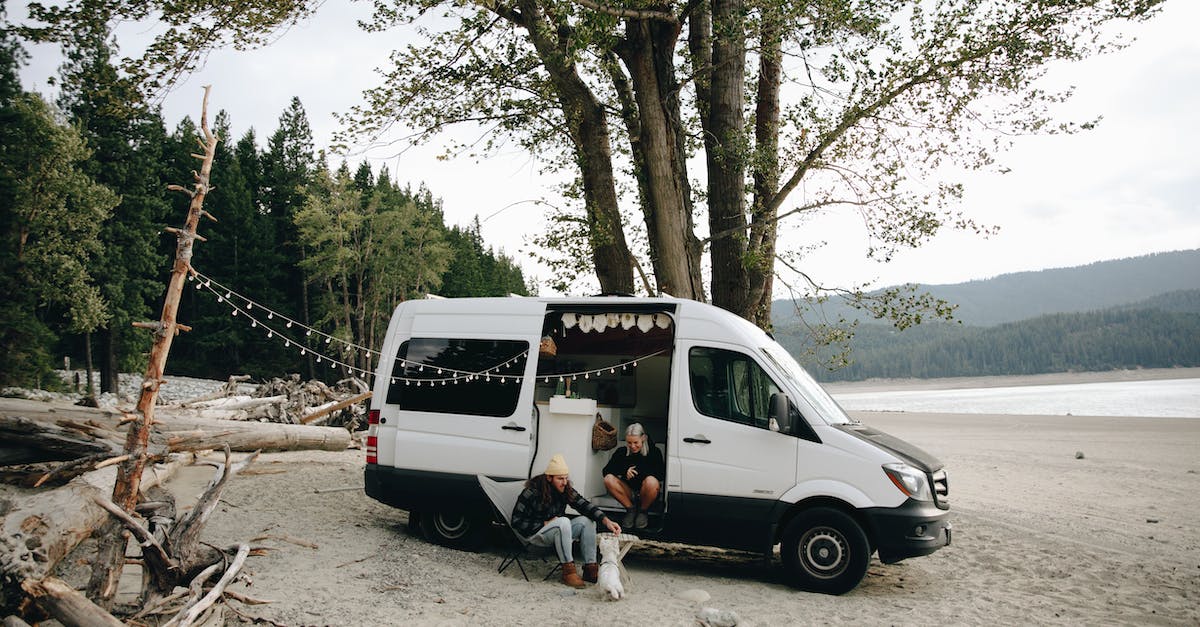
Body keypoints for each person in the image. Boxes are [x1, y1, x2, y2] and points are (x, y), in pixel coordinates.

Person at [512, 453, 622, 588]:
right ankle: (568, 572)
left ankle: (590, 569)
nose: (564, 482)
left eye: (565, 478)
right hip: (535, 535)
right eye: (560, 478)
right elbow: (516, 521)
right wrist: (544, 524)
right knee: (563, 521)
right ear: (549, 478)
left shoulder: (564, 489)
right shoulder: (532, 492)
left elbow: (583, 504)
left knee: (587, 521)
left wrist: (606, 520)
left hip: (557, 531)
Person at [602, 423, 665, 529]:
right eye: (629, 443)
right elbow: (606, 471)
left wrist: (640, 472)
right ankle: (630, 510)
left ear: (643, 438)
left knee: (651, 481)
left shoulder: (654, 452)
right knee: (608, 479)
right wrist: (624, 471)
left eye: (636, 442)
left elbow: (661, 474)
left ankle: (643, 511)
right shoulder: (621, 452)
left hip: (646, 491)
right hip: (629, 491)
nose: (632, 446)